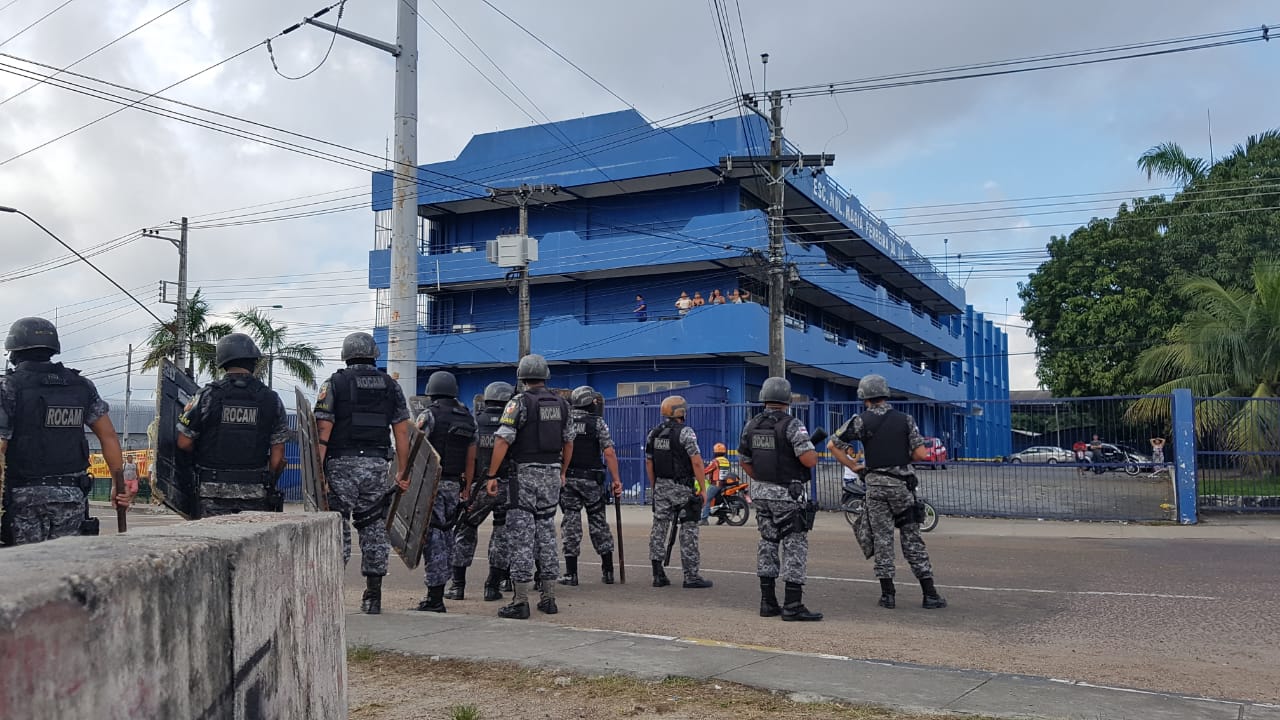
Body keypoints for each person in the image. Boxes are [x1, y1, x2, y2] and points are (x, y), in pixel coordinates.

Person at [0, 317, 131, 546]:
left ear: (13, 352)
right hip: (71, 497)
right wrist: (117, 484)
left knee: (24, 572)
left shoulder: (8, 387)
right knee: (67, 567)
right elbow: (108, 436)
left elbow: (1, 444)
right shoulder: (81, 386)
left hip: (23, 499)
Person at [314, 331, 412, 616]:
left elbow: (323, 431)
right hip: (377, 466)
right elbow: (402, 431)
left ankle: (331, 596)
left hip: (341, 464)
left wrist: (319, 474)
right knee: (373, 527)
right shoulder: (390, 386)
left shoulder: (335, 383)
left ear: (346, 355)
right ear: (374, 354)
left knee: (337, 526)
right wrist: (402, 472)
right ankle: (373, 596)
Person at [829, 374, 946, 610]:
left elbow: (833, 444)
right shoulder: (905, 419)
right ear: (885, 393)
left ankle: (888, 595)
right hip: (902, 488)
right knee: (912, 537)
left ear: (864, 397)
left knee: (882, 539)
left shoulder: (860, 421)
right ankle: (929, 593)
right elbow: (922, 454)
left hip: (875, 488)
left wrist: (853, 466)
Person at [483, 353, 574, 619]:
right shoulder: (562, 404)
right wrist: (562, 472)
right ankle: (549, 598)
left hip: (524, 475)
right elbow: (569, 443)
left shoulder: (518, 402)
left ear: (521, 376)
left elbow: (502, 440)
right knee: (546, 535)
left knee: (521, 537)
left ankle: (520, 600)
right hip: (552, 474)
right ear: (545, 376)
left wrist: (491, 475)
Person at [176, 333, 289, 516]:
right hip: (255, 492)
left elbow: (184, 442)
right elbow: (277, 456)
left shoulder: (207, 396)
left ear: (223, 361)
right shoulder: (272, 399)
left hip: (211, 492)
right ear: (253, 362)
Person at [738, 377, 823, 621]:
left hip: (761, 493)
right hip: (787, 494)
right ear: (787, 400)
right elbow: (809, 460)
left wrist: (762, 479)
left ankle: (768, 602)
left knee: (767, 543)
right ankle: (792, 605)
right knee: (794, 546)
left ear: (764, 397)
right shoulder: (792, 424)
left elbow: (745, 459)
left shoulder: (752, 424)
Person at [415, 371, 477, 613]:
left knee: (434, 539)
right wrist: (467, 488)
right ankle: (439, 590)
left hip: (432, 484)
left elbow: (415, 448)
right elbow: (471, 458)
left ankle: (435, 597)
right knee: (447, 535)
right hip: (454, 485)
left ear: (432, 390)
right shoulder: (467, 418)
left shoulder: (429, 414)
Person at [447, 381, 515, 602]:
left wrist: (465, 487)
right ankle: (493, 587)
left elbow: (467, 455)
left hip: (479, 486)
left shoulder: (477, 422)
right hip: (506, 485)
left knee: (465, 531)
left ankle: (458, 586)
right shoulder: (513, 424)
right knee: (502, 535)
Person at [645, 395, 713, 589]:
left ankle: (657, 573)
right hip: (682, 487)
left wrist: (655, 485)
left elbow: (649, 461)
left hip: (661, 486)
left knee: (659, 528)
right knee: (689, 528)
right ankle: (691, 575)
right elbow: (697, 461)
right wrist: (703, 488)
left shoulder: (654, 433)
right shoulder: (686, 433)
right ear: (682, 412)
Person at [558, 386, 623, 586]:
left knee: (571, 524)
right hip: (592, 481)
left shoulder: (565, 422)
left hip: (569, 480)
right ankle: (608, 571)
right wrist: (616, 480)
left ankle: (571, 573)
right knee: (599, 523)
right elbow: (609, 452)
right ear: (589, 403)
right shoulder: (597, 423)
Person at [699, 442, 732, 525]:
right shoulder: (726, 461)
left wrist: (699, 473)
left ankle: (704, 519)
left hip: (715, 485)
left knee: (706, 499)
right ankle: (721, 518)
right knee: (718, 501)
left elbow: (707, 470)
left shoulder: (715, 461)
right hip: (724, 484)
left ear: (715, 452)